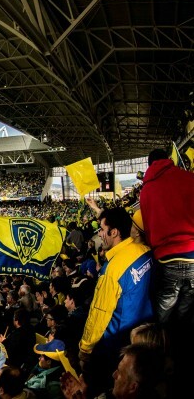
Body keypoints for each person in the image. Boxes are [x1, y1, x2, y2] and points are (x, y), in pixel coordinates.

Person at [79, 208, 154, 395]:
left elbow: (99, 314)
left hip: (116, 348)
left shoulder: (112, 270)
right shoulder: (143, 250)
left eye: (102, 229)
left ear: (114, 232)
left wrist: (85, 350)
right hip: (143, 336)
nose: (99, 234)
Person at [140, 148, 194, 324]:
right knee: (186, 309)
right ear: (169, 159)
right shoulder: (188, 178)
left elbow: (148, 227)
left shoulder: (146, 190)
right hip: (193, 254)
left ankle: (161, 344)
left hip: (166, 259)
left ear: (149, 165)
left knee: (164, 310)